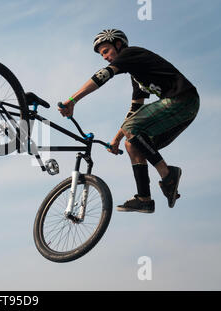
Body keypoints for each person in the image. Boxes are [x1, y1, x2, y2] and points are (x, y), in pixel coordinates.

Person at [58, 29, 199, 214]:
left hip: (182, 100)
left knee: (131, 128)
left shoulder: (130, 53)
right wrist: (116, 140)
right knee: (132, 144)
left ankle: (168, 175)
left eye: (106, 51)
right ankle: (144, 199)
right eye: (102, 55)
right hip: (183, 110)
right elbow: (136, 110)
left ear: (118, 45)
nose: (106, 57)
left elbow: (103, 75)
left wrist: (72, 99)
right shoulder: (137, 76)